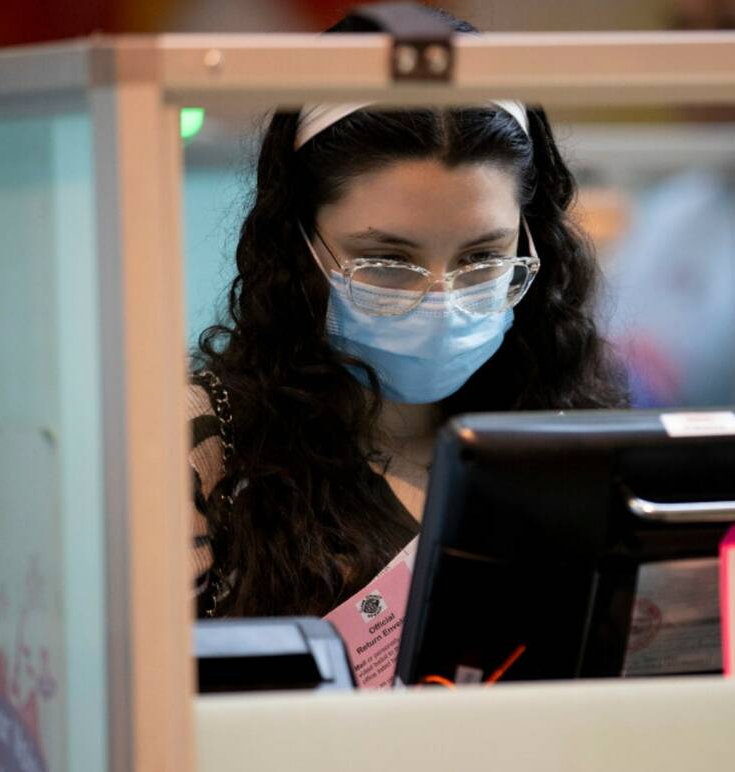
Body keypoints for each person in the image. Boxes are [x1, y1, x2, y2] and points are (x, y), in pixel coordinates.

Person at [188, 10, 626, 620]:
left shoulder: (575, 429)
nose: (441, 301)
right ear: (298, 246)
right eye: (388, 261)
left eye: (481, 258)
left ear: (532, 245)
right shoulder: (205, 449)